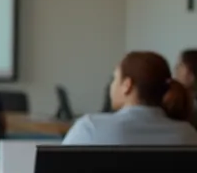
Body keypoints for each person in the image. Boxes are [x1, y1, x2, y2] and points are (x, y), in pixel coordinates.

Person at [61, 51, 197, 145]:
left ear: (127, 85)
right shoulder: (188, 135)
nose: (111, 85)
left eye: (115, 78)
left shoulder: (89, 129)